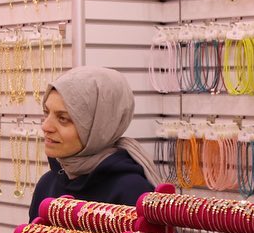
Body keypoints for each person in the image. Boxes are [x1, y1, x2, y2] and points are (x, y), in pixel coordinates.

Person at [29, 66, 162, 218]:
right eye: (46, 113)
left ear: (98, 125)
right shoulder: (48, 184)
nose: (45, 126)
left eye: (63, 118)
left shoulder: (132, 191)